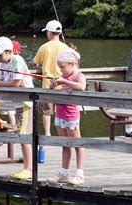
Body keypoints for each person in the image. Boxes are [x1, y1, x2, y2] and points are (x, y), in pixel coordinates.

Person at [0, 36, 34, 180]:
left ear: (9, 51)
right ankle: (27, 167)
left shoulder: (17, 61)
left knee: (24, 136)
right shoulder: (2, 63)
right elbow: (1, 79)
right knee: (21, 135)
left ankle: (29, 169)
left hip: (26, 103)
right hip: (18, 103)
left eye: (0, 54)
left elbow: (16, 83)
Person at [49, 49, 86, 185]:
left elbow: (81, 86)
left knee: (77, 144)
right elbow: (54, 89)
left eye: (63, 67)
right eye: (60, 67)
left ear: (72, 64)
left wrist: (64, 81)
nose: (61, 70)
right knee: (64, 144)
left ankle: (79, 174)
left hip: (71, 115)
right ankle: (64, 173)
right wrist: (53, 85)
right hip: (59, 113)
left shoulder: (78, 75)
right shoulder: (63, 77)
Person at [33, 20, 69, 136]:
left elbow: (35, 62)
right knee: (61, 110)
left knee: (46, 111)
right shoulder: (65, 47)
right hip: (62, 84)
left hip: (47, 85)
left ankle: (48, 133)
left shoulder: (44, 47)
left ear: (49, 33)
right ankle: (62, 133)